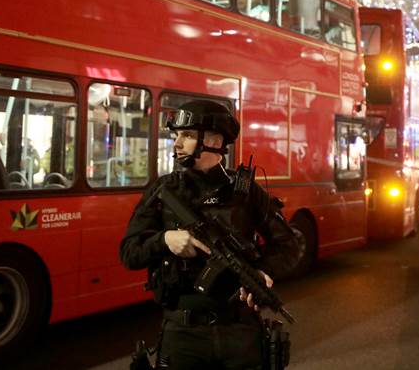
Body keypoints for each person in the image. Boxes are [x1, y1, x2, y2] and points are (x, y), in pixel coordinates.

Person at [119, 100, 301, 370]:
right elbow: (129, 252)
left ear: (215, 140)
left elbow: (290, 245)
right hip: (183, 333)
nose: (177, 143)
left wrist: (263, 272)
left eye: (188, 135)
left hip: (239, 330)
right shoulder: (164, 191)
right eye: (176, 135)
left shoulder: (247, 192)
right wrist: (165, 240)